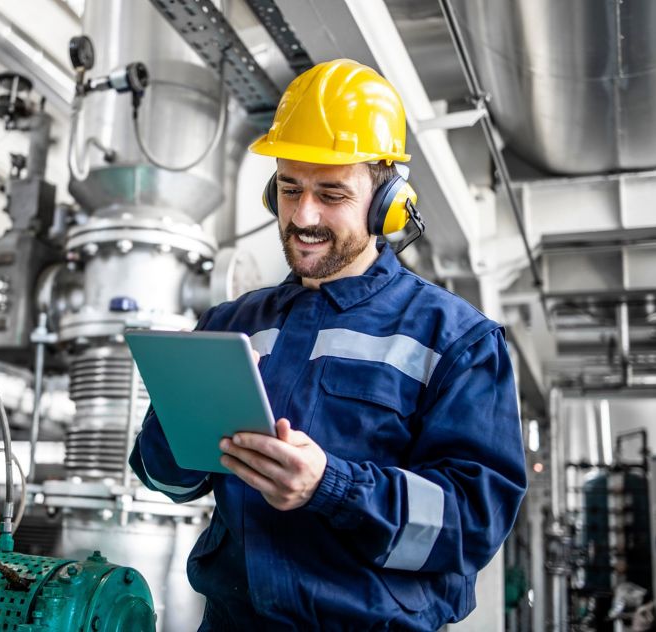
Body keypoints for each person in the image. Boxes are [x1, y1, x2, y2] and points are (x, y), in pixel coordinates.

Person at [130, 58, 527, 631]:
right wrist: (180, 420)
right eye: (290, 189)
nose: (303, 215)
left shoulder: (457, 340)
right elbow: (167, 480)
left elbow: (471, 525)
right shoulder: (230, 321)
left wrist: (332, 488)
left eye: (331, 193)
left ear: (385, 200)